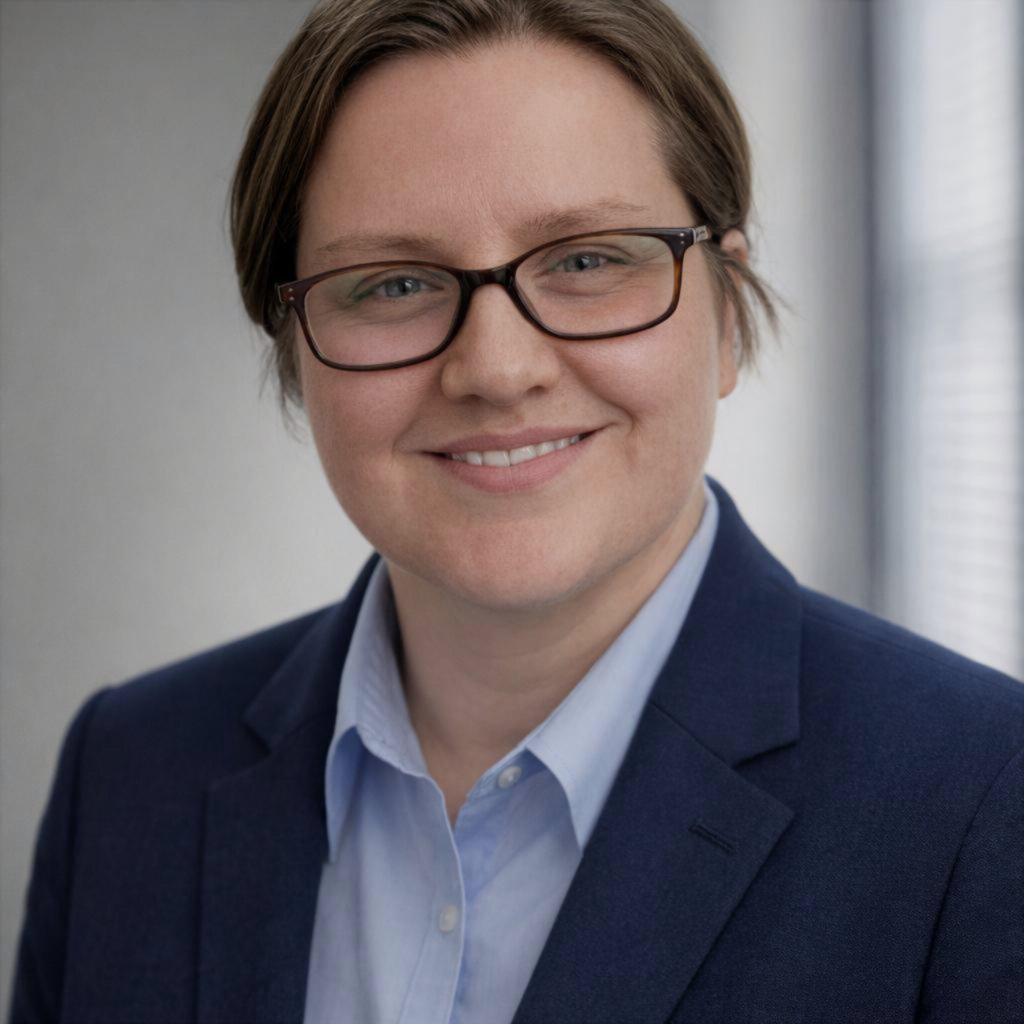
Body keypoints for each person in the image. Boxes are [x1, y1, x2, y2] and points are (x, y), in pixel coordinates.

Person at [9, 0, 1023, 1021]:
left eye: (586, 259)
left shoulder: (982, 802)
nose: (496, 369)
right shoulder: (128, 773)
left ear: (724, 312)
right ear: (295, 347)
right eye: (393, 281)